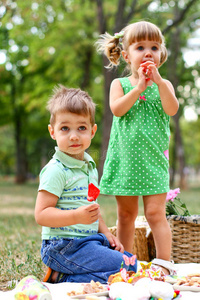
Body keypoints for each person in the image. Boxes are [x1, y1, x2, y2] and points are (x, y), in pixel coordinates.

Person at [96, 21, 179, 275]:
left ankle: (164, 263)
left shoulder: (164, 86)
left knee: (156, 214)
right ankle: (126, 262)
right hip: (127, 162)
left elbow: (172, 109)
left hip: (153, 162)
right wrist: (140, 87)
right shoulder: (119, 85)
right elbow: (117, 109)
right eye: (140, 47)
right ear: (125, 55)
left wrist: (157, 81)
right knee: (126, 215)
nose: (147, 52)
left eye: (154, 47)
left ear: (160, 54)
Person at [34, 85, 137, 284]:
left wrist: (107, 233)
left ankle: (65, 275)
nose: (74, 136)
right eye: (65, 128)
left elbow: (91, 209)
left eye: (81, 128)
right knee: (128, 266)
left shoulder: (89, 166)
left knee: (128, 262)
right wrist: (76, 216)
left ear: (92, 131)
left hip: (87, 242)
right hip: (63, 246)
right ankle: (62, 278)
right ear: (52, 131)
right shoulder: (56, 170)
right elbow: (42, 214)